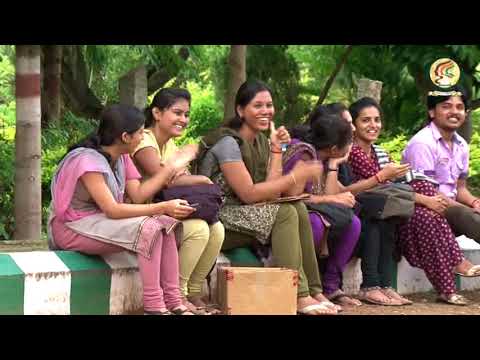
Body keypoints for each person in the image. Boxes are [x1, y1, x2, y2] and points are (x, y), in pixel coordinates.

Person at [195, 80, 339, 315]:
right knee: (284, 213)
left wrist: (275, 150)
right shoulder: (228, 143)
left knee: (298, 208)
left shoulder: (261, 141)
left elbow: (270, 190)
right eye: (257, 105)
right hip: (217, 218)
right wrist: (295, 177)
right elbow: (249, 194)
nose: (265, 111)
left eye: (269, 105)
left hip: (242, 216)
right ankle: (299, 295)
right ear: (241, 110)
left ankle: (314, 290)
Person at [48, 104, 197, 315]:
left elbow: (138, 196)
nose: (144, 136)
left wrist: (170, 169)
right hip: (71, 227)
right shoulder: (87, 162)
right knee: (150, 228)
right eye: (140, 132)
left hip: (101, 222)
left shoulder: (122, 157)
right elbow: (113, 210)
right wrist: (163, 206)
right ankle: (154, 307)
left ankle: (174, 301)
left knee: (166, 225)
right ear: (126, 137)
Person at [348, 97, 480, 305]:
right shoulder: (353, 151)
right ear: (353, 125)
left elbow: (404, 182)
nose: (373, 125)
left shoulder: (378, 152)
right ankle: (452, 270)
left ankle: (436, 283)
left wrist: (473, 202)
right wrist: (426, 199)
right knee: (427, 212)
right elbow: (380, 187)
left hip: (396, 206)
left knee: (425, 202)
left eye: (377, 120)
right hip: (370, 209)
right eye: (366, 120)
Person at [132, 88, 225, 315]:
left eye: (186, 114)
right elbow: (163, 179)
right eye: (177, 113)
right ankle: (177, 294)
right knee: (198, 229)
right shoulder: (144, 140)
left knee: (217, 229)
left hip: (164, 210)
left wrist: (179, 173)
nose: (183, 120)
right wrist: (200, 178)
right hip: (141, 212)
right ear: (156, 113)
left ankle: (193, 291)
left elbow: (179, 178)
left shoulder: (170, 145)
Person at [283, 110, 362, 307]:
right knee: (315, 225)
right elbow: (293, 196)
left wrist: (334, 164)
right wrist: (332, 199)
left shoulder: (326, 156)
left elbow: (329, 192)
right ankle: (306, 289)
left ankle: (330, 286)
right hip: (290, 212)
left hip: (310, 209)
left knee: (354, 223)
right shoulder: (303, 153)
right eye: (349, 141)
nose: (351, 145)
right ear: (334, 148)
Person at [402, 85, 480, 245]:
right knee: (469, 216)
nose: (454, 112)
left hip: (453, 209)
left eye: (459, 107)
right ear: (432, 112)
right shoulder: (422, 143)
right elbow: (427, 193)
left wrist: (475, 202)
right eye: (446, 106)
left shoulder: (461, 145)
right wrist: (467, 210)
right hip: (426, 209)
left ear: (465, 113)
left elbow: (460, 189)